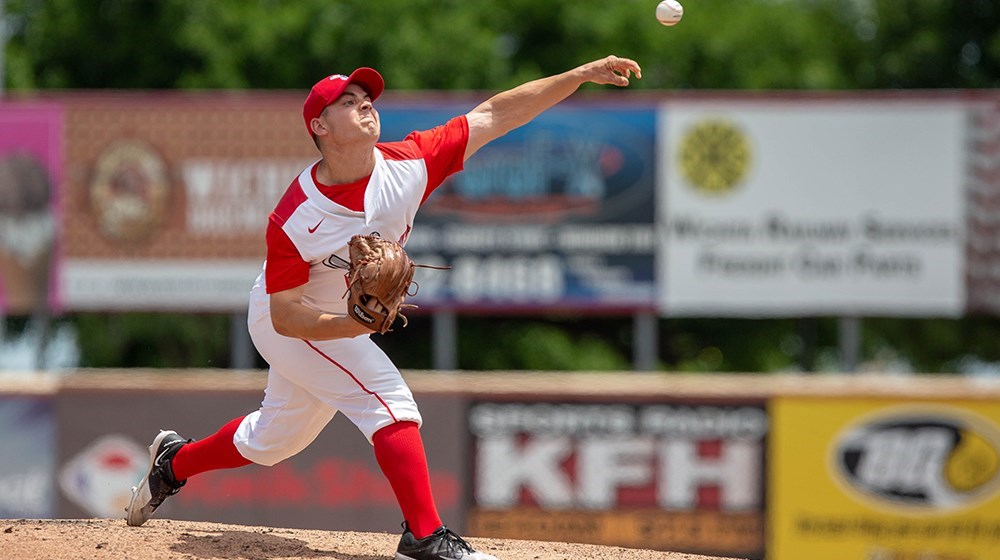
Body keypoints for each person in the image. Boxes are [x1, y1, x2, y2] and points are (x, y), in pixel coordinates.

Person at [124, 55, 642, 560]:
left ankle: (173, 462)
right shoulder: (296, 215)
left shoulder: (410, 163)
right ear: (320, 126)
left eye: (366, 97)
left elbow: (496, 113)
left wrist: (578, 75)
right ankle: (425, 537)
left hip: (337, 324)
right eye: (348, 101)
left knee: (274, 440)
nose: (365, 104)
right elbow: (284, 316)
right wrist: (351, 324)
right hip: (289, 320)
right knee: (389, 401)